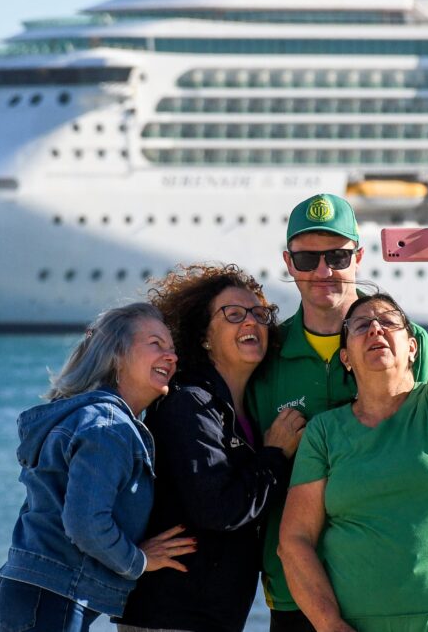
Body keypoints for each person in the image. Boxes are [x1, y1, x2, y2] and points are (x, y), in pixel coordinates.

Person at [279, 221, 428, 632]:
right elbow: (295, 541)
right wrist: (329, 624)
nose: (376, 328)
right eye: (361, 326)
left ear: (412, 347)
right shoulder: (325, 432)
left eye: (389, 323)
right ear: (346, 358)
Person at [246, 193, 428, 632]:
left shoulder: (410, 343)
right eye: (306, 258)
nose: (323, 271)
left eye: (336, 256)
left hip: (392, 585)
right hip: (296, 588)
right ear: (287, 261)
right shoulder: (267, 355)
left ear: (359, 258)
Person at [118, 264, 307, 632]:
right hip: (172, 615)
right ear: (204, 336)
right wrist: (275, 454)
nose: (251, 322)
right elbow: (218, 508)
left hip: (211, 616)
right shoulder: (189, 403)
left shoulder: (245, 409)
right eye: (233, 315)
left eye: (260, 314)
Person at [0, 302, 197, 632]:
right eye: (155, 344)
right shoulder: (108, 428)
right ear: (116, 355)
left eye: (172, 349)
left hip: (33, 589)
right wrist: (138, 561)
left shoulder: (85, 415)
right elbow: (85, 522)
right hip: (54, 596)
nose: (171, 356)